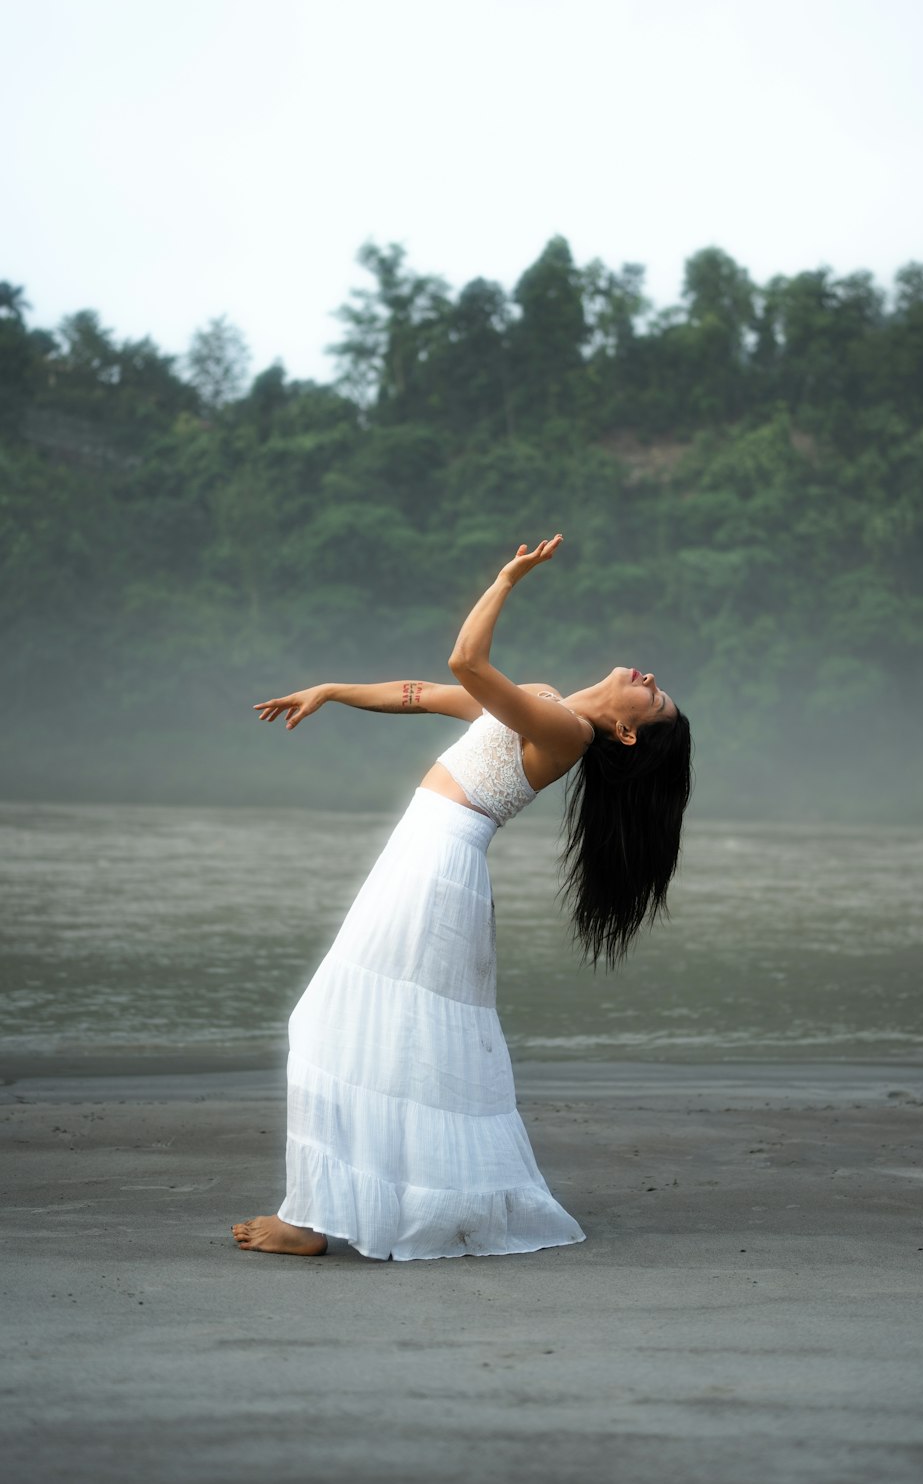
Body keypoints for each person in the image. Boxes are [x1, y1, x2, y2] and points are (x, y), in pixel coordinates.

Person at [231, 535, 692, 1260]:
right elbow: (426, 694)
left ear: (627, 730)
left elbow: (465, 663)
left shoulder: (565, 731)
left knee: (330, 1019)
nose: (649, 675)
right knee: (360, 1026)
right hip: (424, 857)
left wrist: (509, 576)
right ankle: (325, 1210)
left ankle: (312, 1220)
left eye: (653, 695)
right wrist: (332, 690)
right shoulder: (539, 701)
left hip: (438, 863)